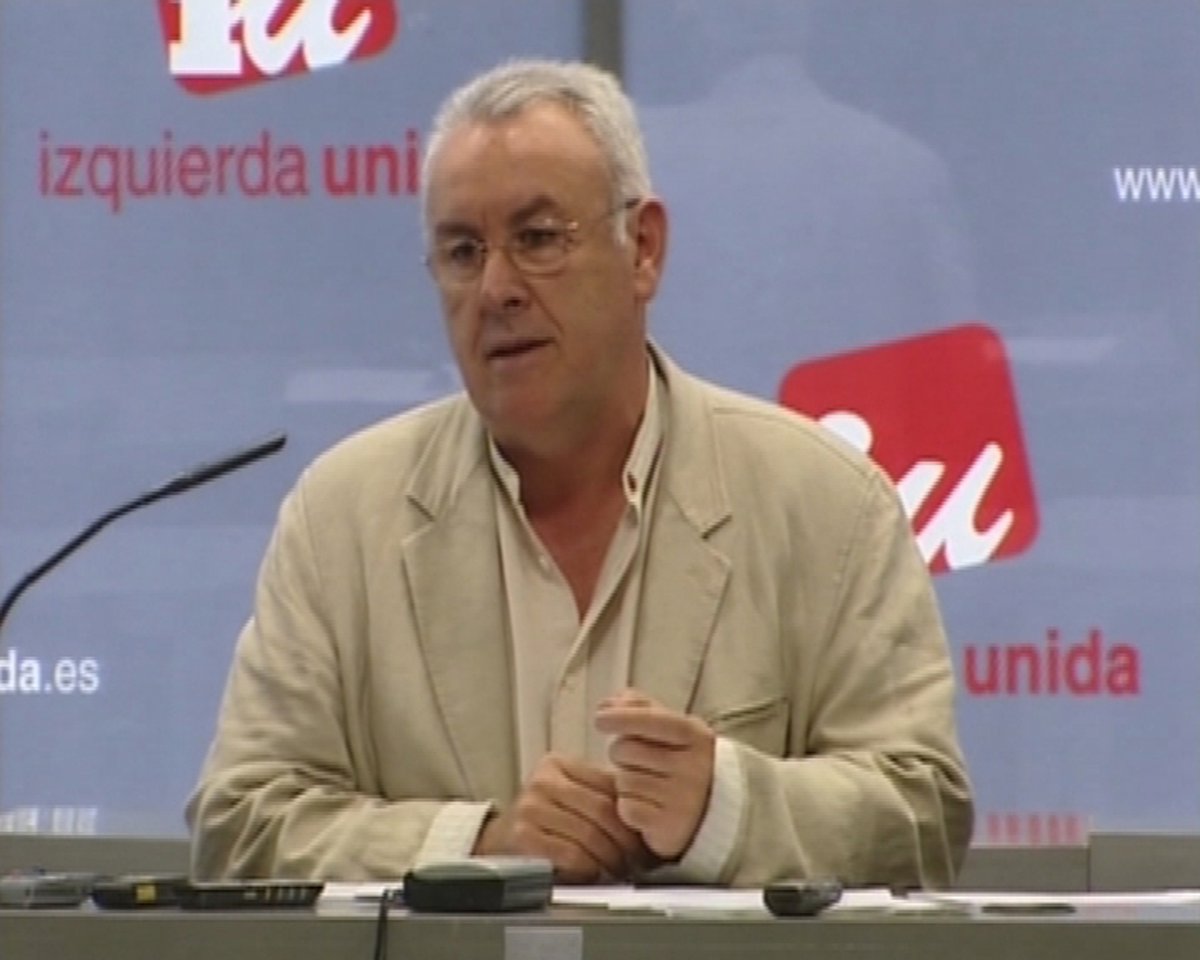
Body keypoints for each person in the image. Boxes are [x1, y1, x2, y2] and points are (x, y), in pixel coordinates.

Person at [186, 58, 973, 888]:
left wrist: (724, 809)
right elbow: (241, 825)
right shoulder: (342, 518)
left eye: (538, 239)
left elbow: (921, 814)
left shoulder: (827, 504)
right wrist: (479, 847)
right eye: (462, 252)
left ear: (644, 249)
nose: (496, 289)